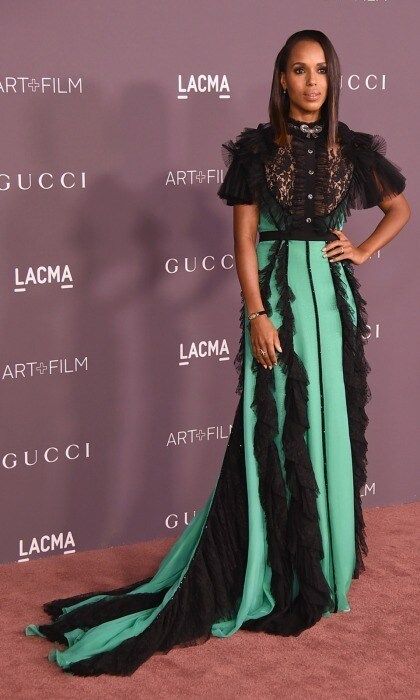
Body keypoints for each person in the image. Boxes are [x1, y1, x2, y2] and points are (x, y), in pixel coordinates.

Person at [24, 30, 410, 677]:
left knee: (330, 428)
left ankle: (325, 564)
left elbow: (397, 208)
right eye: (298, 69)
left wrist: (365, 251)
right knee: (280, 429)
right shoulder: (258, 152)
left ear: (330, 79)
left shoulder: (355, 151)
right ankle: (273, 563)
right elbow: (242, 247)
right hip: (280, 305)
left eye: (321, 70)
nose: (311, 81)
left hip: (333, 306)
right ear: (281, 80)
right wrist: (258, 314)